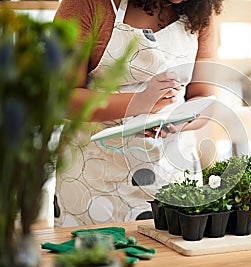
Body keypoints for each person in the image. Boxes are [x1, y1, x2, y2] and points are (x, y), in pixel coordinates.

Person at [53, 0, 223, 227]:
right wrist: (139, 102)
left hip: (172, 176)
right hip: (94, 183)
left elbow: (204, 98)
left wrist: (177, 124)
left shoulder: (201, 9)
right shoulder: (86, 4)